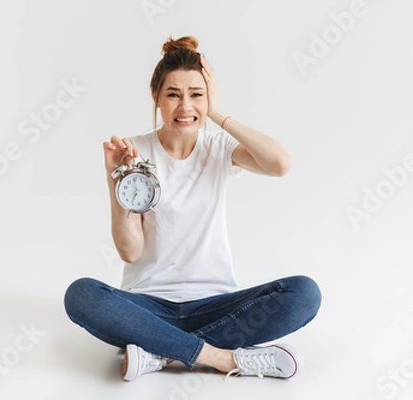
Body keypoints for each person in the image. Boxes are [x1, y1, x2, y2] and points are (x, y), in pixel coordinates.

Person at [63, 35, 321, 381]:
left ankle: (162, 355)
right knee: (81, 295)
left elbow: (281, 164)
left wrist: (216, 112)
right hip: (148, 308)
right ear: (156, 97)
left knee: (304, 294)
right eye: (173, 94)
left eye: (196, 95)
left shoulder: (220, 146)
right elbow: (130, 251)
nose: (185, 107)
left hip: (216, 305)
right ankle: (221, 358)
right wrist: (117, 181)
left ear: (208, 96)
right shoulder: (133, 152)